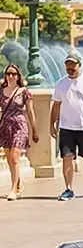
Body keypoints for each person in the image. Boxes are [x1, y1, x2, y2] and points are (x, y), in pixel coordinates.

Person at [50, 50, 83, 200]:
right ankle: (68, 189)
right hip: (66, 128)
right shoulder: (61, 84)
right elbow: (56, 105)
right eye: (67, 65)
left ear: (80, 65)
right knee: (66, 157)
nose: (70, 68)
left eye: (73, 65)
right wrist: (51, 123)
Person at [0, 64, 38, 201]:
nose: (11, 76)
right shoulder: (1, 91)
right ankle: (18, 183)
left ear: (18, 76)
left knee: (15, 157)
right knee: (9, 157)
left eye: (14, 74)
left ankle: (13, 189)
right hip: (5, 126)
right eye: (8, 73)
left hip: (19, 125)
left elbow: (30, 111)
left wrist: (34, 130)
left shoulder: (24, 92)